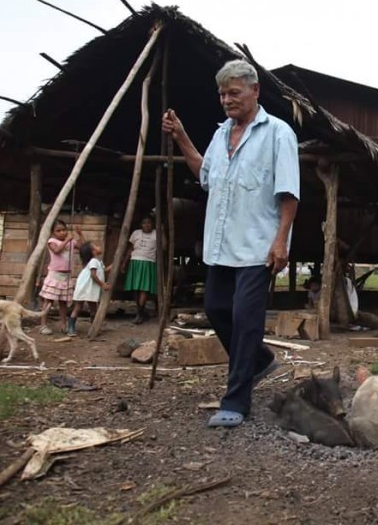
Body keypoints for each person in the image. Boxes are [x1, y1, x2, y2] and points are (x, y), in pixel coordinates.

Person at [162, 59, 300, 427]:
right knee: (216, 309)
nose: (227, 100)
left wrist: (281, 241)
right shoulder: (221, 134)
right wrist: (181, 137)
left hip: (258, 246)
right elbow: (204, 173)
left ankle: (236, 400)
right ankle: (260, 361)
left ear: (255, 91)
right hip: (221, 246)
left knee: (245, 319)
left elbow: (289, 193)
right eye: (222, 94)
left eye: (234, 92)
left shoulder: (278, 133)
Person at [39, 219, 84, 335]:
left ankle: (63, 324)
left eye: (64, 230)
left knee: (63, 302)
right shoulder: (52, 241)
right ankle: (43, 325)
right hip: (55, 275)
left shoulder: (71, 242)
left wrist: (80, 234)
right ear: (53, 232)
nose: (62, 232)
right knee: (48, 300)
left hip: (66, 276)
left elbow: (82, 246)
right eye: (58, 231)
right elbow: (57, 251)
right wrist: (67, 240)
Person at [68, 241, 111, 337]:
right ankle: (71, 327)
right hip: (85, 286)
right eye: (96, 246)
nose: (98, 246)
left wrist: (114, 264)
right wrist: (102, 284)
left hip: (91, 287)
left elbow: (103, 270)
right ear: (93, 252)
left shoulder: (98, 261)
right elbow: (93, 275)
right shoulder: (93, 261)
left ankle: (94, 327)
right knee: (79, 306)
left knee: (92, 307)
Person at [122, 216, 158, 324]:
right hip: (135, 262)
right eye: (144, 223)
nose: (147, 225)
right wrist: (124, 263)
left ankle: (140, 314)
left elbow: (164, 247)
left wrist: (162, 232)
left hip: (148, 262)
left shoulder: (156, 233)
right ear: (141, 225)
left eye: (149, 223)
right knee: (136, 288)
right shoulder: (136, 233)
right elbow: (130, 249)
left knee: (144, 289)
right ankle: (140, 312)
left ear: (153, 224)